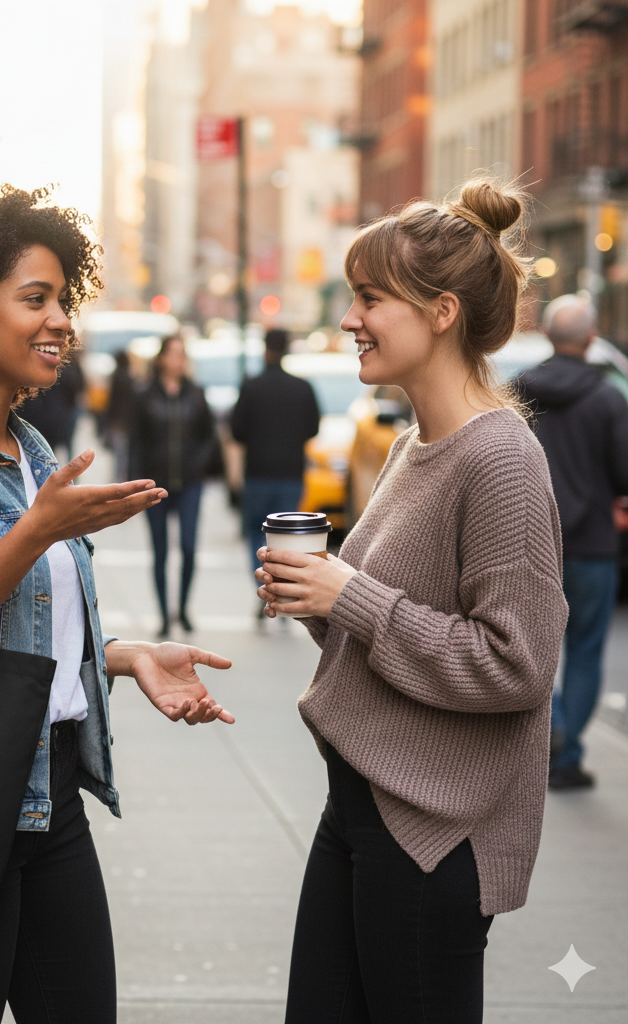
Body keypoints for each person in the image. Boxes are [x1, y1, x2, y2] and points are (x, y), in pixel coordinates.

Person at [0, 184, 234, 1024]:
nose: (62, 319)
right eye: (35, 299)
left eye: (65, 299)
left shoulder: (29, 451)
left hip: (49, 798)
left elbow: (25, 625)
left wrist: (123, 656)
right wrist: (32, 534)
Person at [256, 179, 567, 1023]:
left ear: (441, 313)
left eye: (370, 299)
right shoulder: (411, 446)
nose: (351, 319)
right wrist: (318, 595)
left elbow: (518, 666)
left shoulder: (500, 459)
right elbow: (386, 633)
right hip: (361, 804)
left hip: (434, 831)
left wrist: (349, 595)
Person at [516, 294, 628, 790]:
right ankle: (568, 752)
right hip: (593, 547)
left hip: (527, 542)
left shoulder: (519, 392)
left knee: (529, 648)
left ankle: (553, 729)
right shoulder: (609, 398)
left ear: (545, 334)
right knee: (584, 651)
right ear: (589, 338)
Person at [130, 334, 217, 637]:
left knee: (190, 548)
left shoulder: (195, 394)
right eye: (173, 354)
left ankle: (183, 608)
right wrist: (136, 486)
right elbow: (136, 443)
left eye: (183, 354)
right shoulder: (145, 395)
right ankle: (164, 616)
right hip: (156, 484)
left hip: (190, 483)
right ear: (162, 358)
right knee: (160, 552)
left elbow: (209, 435)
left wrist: (200, 463)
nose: (178, 360)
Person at [230, 327, 320, 590]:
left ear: (265, 349)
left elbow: (237, 430)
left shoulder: (251, 387)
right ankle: (282, 586)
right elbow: (313, 428)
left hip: (257, 473)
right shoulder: (303, 388)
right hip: (290, 474)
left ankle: (262, 583)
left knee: (257, 536)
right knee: (287, 538)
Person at [17, 349, 85, 463]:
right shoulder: (71, 370)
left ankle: (55, 472)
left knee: (48, 448)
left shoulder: (40, 369)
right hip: (62, 416)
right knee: (67, 446)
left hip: (44, 416)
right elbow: (75, 393)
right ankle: (70, 473)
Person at [102, 349, 135, 482]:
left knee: (119, 454)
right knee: (123, 454)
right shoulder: (130, 379)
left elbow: (112, 401)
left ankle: (119, 479)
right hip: (126, 421)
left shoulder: (116, 377)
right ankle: (121, 478)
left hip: (117, 421)